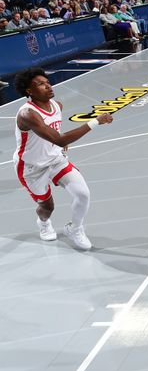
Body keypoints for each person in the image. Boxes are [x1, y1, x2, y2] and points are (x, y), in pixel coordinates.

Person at [13, 68, 113, 249]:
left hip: (56, 160)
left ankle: (75, 228)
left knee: (83, 194)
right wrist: (95, 121)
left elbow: (55, 133)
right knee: (47, 207)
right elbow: (59, 140)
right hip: (31, 167)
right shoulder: (27, 114)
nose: (47, 86)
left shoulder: (57, 105)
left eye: (47, 82)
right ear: (29, 91)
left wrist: (59, 139)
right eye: (40, 84)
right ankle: (43, 223)